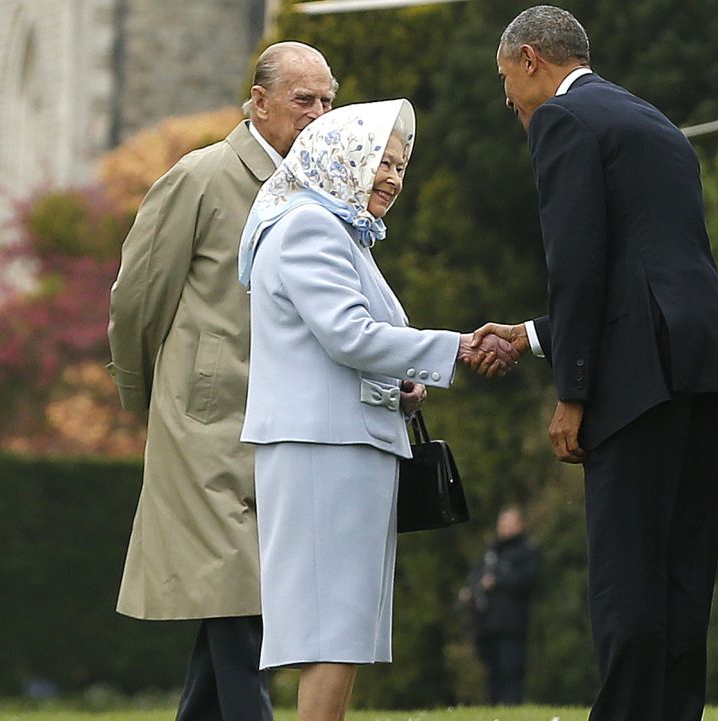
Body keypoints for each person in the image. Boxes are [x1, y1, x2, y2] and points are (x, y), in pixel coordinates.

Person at [473, 7, 718, 721]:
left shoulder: (563, 122)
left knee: (627, 573)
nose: (508, 100)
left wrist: (572, 392)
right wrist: (534, 335)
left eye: (507, 80)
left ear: (533, 58)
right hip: (706, 362)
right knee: (680, 571)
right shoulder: (651, 120)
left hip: (640, 377)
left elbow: (578, 268)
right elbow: (642, 268)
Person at [237, 99, 517, 721]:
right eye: (380, 162)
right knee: (333, 625)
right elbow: (350, 335)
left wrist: (400, 385)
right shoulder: (309, 227)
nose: (392, 176)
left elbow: (340, 351)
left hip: (342, 444)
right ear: (340, 159)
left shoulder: (340, 231)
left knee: (345, 625)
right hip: (323, 449)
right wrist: (457, 346)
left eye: (400, 165)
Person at [107, 41, 337, 721]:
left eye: (328, 99)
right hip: (208, 424)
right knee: (242, 601)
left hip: (288, 419)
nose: (320, 113)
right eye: (305, 99)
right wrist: (149, 399)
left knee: (241, 601)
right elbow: (135, 299)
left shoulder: (324, 185)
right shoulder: (200, 177)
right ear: (258, 101)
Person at [458, 506, 542, 705]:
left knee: (511, 670)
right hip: (487, 624)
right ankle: (494, 710)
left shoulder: (527, 550)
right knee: (492, 672)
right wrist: (469, 591)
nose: (505, 528)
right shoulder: (492, 551)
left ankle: (512, 709)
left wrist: (498, 581)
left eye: (510, 523)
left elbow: (527, 580)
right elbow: (476, 575)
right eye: (502, 523)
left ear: (521, 525)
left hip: (512, 624)